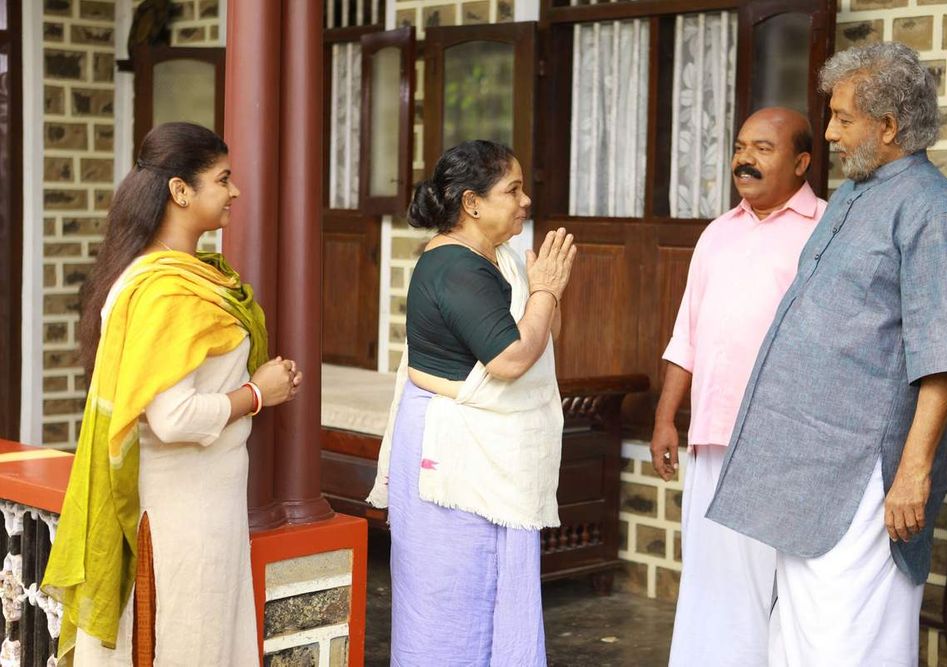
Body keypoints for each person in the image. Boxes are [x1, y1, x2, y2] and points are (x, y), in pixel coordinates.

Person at [706, 42, 947, 665]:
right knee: (799, 635)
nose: (829, 132)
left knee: (848, 639)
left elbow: (939, 360)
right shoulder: (858, 193)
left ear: (888, 126)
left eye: (842, 118)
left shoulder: (935, 210)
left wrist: (912, 473)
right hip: (810, 469)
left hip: (866, 475)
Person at [42, 122, 303, 665]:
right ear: (180, 191)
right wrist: (257, 393)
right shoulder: (166, 292)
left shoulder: (171, 276)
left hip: (203, 503)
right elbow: (172, 417)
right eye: (222, 179)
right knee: (186, 644)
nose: (234, 192)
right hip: (183, 514)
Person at [366, 140, 576, 666]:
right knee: (452, 602)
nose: (526, 201)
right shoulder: (456, 266)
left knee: (485, 595)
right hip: (455, 457)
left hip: (475, 450)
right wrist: (546, 291)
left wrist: (543, 293)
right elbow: (511, 358)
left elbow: (536, 338)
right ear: (472, 203)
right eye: (513, 190)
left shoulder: (495, 258)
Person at [650, 107, 825, 666]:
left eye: (763, 149)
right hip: (710, 437)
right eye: (740, 147)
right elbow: (687, 334)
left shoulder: (825, 232)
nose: (745, 159)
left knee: (766, 589)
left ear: (802, 162)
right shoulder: (717, 233)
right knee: (709, 582)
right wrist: (665, 418)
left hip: (779, 444)